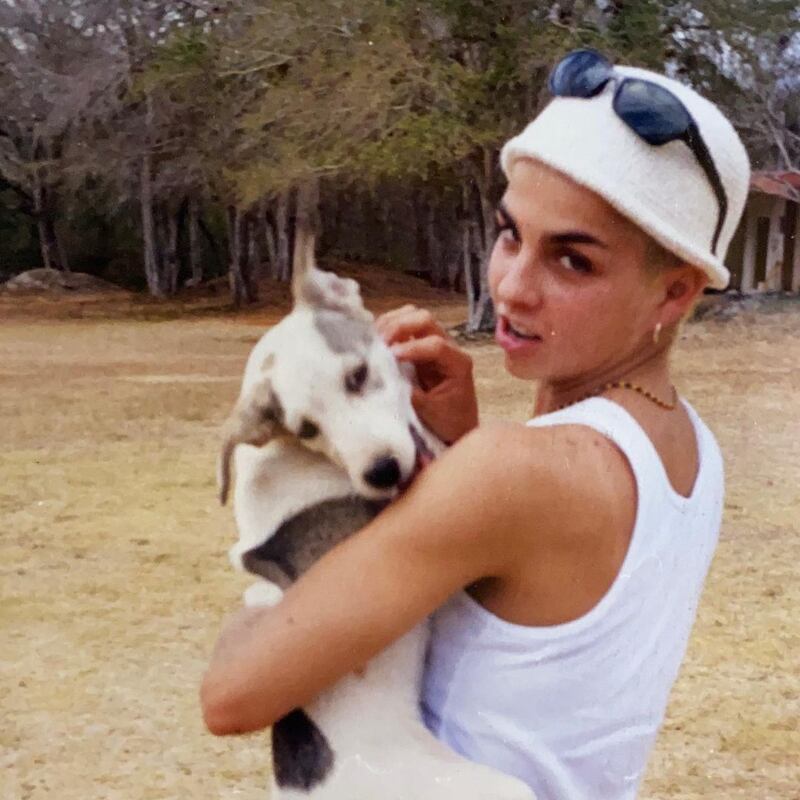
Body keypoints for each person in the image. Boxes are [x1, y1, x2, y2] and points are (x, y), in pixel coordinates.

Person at [200, 49, 751, 799]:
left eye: (573, 261)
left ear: (675, 293)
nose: (512, 287)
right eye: (509, 233)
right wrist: (459, 444)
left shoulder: (512, 475)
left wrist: (264, 583)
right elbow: (537, 636)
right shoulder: (691, 451)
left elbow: (232, 696)